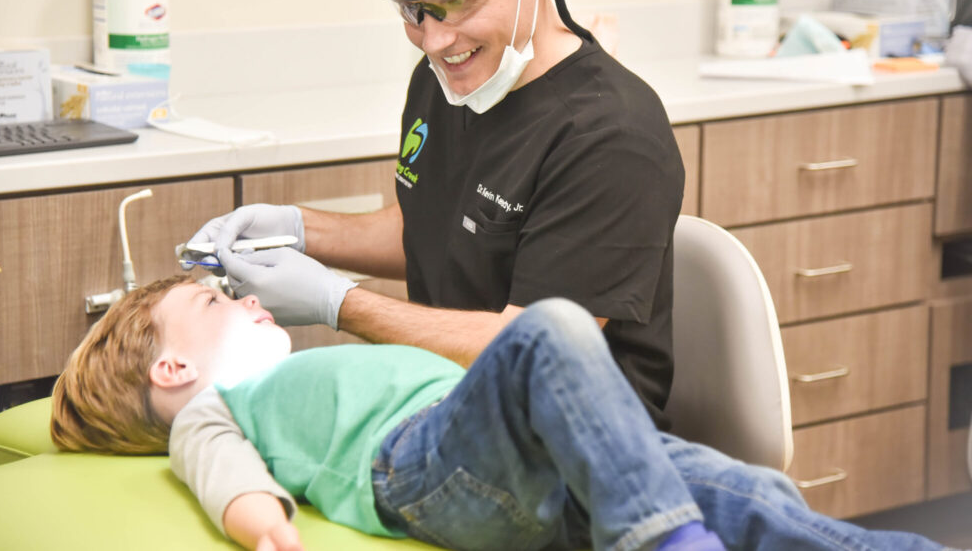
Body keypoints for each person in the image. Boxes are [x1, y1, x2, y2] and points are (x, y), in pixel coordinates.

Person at [186, 0, 683, 431]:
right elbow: (435, 230)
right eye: (409, 8)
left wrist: (340, 305)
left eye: (456, 0)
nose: (435, 39)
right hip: (447, 405)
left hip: (570, 450)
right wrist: (297, 231)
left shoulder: (610, 134)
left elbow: (537, 350)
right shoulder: (446, 78)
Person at [51, 276, 952, 551]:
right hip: (423, 466)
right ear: (173, 365)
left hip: (519, 463)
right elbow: (220, 474)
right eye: (218, 302)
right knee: (547, 330)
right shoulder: (218, 405)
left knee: (753, 493)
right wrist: (266, 534)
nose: (248, 300)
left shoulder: (313, 368)